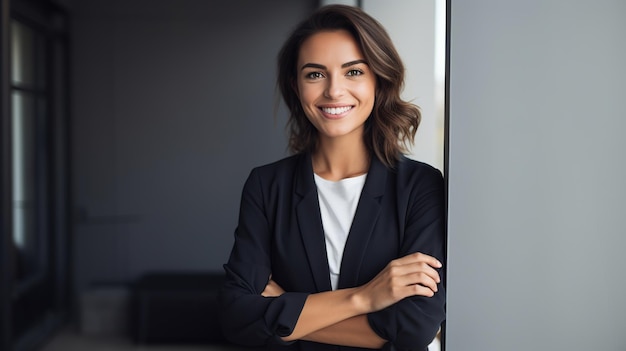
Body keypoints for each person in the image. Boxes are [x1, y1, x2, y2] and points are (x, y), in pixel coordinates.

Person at [219, 5, 445, 351]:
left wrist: (287, 310)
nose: (334, 91)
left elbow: (414, 328)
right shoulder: (267, 186)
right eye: (315, 74)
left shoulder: (420, 186)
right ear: (296, 86)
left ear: (378, 79)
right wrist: (364, 298)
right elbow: (237, 317)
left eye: (353, 72)